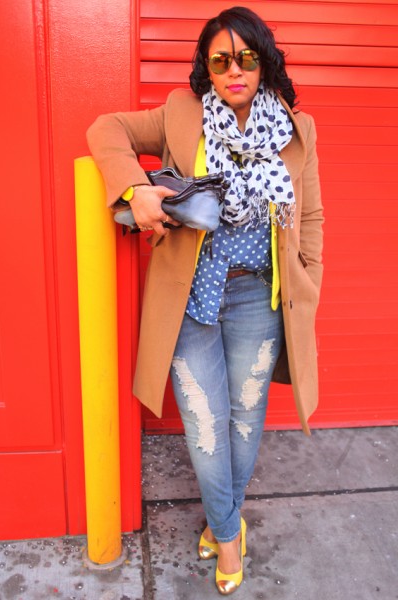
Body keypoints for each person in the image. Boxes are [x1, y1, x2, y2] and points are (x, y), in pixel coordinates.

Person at [87, 5, 323, 595]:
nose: (234, 70)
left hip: (258, 300)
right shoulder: (180, 112)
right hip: (191, 298)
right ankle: (226, 534)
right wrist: (136, 188)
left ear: (264, 62)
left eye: (246, 58)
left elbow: (311, 217)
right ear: (208, 68)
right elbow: (105, 130)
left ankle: (222, 519)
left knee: (245, 424)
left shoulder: (298, 131)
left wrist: (307, 284)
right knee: (206, 429)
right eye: (221, 60)